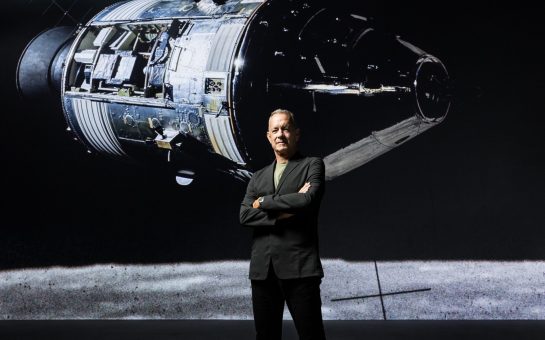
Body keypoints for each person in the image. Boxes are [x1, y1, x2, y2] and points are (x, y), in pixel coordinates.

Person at [240, 109, 327, 340]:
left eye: (285, 128)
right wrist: (283, 213)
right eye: (275, 130)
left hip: (300, 270)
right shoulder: (257, 176)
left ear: (296, 134)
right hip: (263, 272)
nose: (280, 134)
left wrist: (264, 202)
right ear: (268, 136)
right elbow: (244, 216)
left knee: (312, 336)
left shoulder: (313, 165)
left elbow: (307, 200)